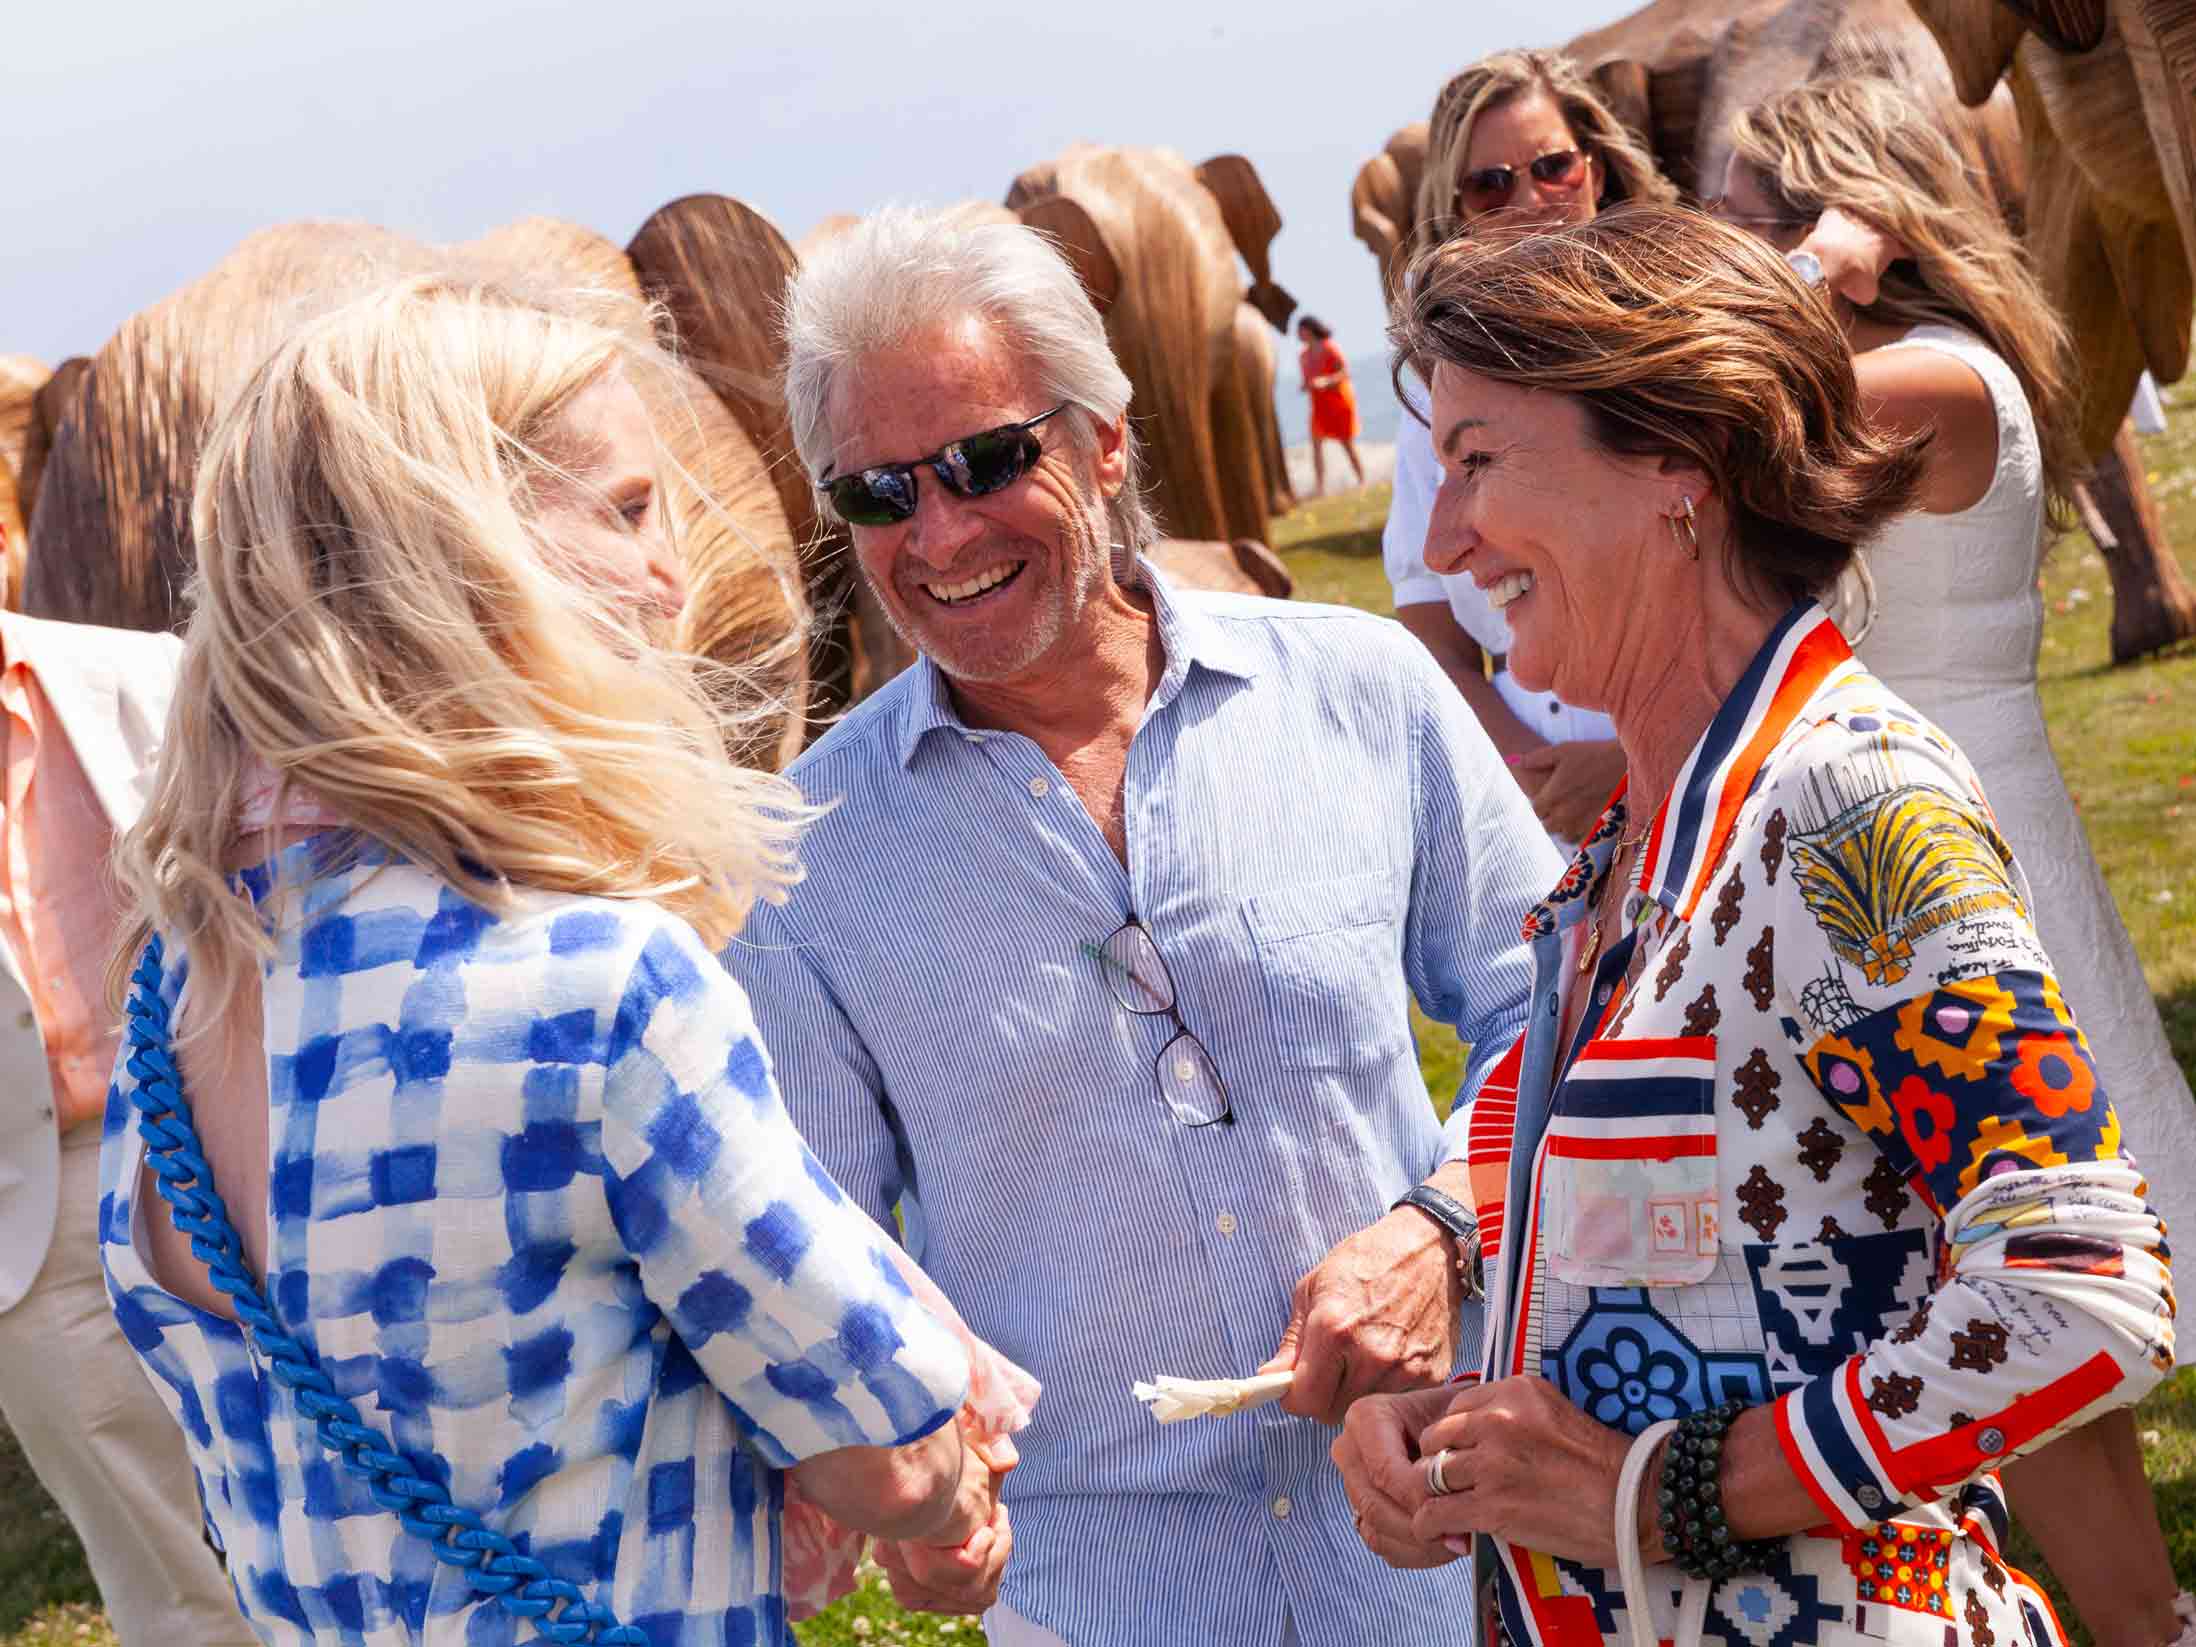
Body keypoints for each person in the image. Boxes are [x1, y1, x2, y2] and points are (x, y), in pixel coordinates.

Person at [97, 274, 1003, 1645]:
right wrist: (946, 1493)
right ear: (463, 550)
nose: (673, 578)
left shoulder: (174, 990)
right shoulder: (598, 986)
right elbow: (885, 1444)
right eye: (631, 510)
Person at [1333, 205, 2173, 1647]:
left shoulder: (1843, 800)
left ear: (1680, 465)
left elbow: (2081, 1287)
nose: (1447, 537)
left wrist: (1668, 1497)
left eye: (1480, 461)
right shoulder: (1642, 835)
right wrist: (1470, 1433)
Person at [726, 205, 1559, 1646]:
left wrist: (1444, 1223)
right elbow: (824, 1245)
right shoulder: (804, 859)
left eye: (987, 462)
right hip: (1099, 1604)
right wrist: (902, 1476)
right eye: (878, 495)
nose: (941, 533)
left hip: (1449, 1543)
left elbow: (1562, 1009)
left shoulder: (1362, 691)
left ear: (1105, 439)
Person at [1722, 78, 2196, 1646]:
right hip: (1934, 829)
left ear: (1840, 211)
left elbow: (1707, 422)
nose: (1723, 240)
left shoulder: (1919, 378)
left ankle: (2137, 1618)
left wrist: (1813, 265)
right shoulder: (1915, 367)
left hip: (1942, 852)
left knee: (2017, 1274)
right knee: (1987, 1290)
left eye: (1749, 208)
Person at [0, 610, 255, 1647]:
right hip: (24, 1209)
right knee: (155, 1555)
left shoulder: (147, 673)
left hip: (211, 1126)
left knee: (319, 1468)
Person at [1383, 49, 1678, 850]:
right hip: (1533, 812)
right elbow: (1434, 636)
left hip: (1703, 772)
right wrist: (1529, 771)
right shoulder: (1432, 398)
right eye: (1490, 184)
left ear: (1597, 168)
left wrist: (1631, 765)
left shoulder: (1680, 339)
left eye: (1552, 166)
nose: (1530, 201)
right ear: (1456, 208)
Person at [1295, 315, 1365, 494]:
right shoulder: (1303, 356)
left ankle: (1361, 479)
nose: (1298, 334)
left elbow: (1344, 373)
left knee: (1347, 444)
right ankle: (1320, 487)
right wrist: (1305, 386)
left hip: (1338, 402)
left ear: (1310, 330)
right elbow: (1308, 380)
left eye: (1300, 330)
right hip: (1319, 406)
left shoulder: (1329, 348)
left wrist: (1325, 381)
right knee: (1316, 446)